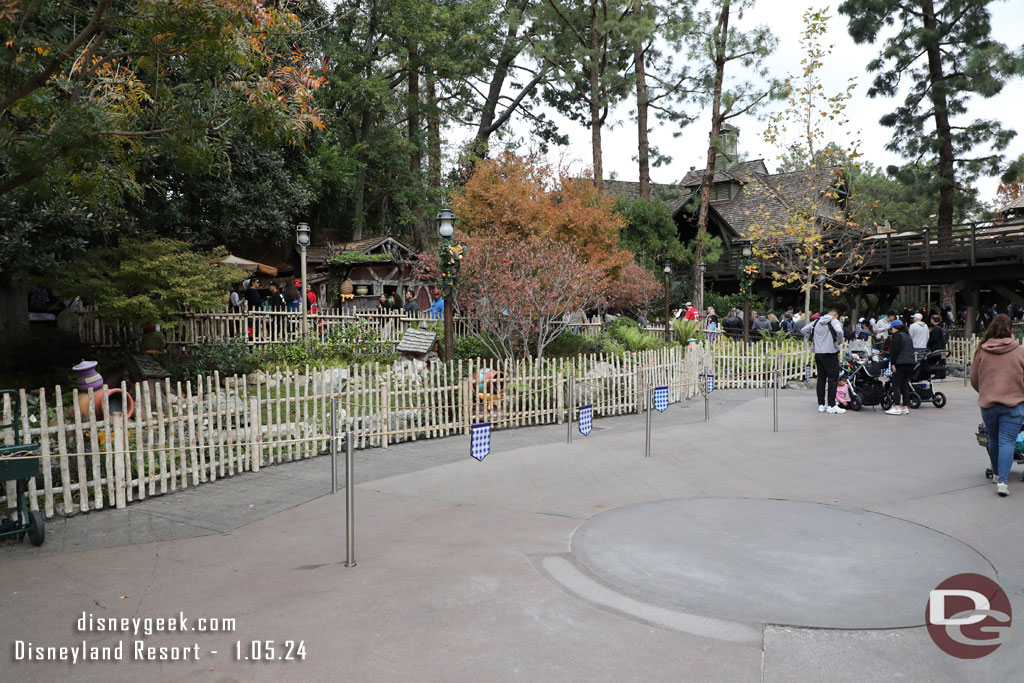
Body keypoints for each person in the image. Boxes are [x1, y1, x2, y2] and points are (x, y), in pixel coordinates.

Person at [971, 314, 1024, 496]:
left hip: (989, 403)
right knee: (1007, 442)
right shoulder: (1020, 351)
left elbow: (974, 379)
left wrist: (986, 391)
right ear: (1011, 329)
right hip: (1014, 404)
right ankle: (1003, 481)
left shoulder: (982, 351)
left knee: (993, 440)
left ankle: (995, 473)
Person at [801, 308, 845, 413]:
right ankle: (831, 405)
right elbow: (839, 330)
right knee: (833, 378)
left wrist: (813, 338)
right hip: (830, 353)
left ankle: (821, 404)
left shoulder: (816, 321)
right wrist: (840, 340)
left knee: (821, 378)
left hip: (818, 352)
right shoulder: (834, 321)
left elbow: (803, 330)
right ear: (835, 314)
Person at [885, 319, 915, 415]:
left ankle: (897, 407)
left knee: (896, 384)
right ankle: (905, 407)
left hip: (901, 362)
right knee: (904, 385)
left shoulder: (897, 336)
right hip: (910, 362)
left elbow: (894, 350)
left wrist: (893, 363)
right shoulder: (907, 336)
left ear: (894, 328)